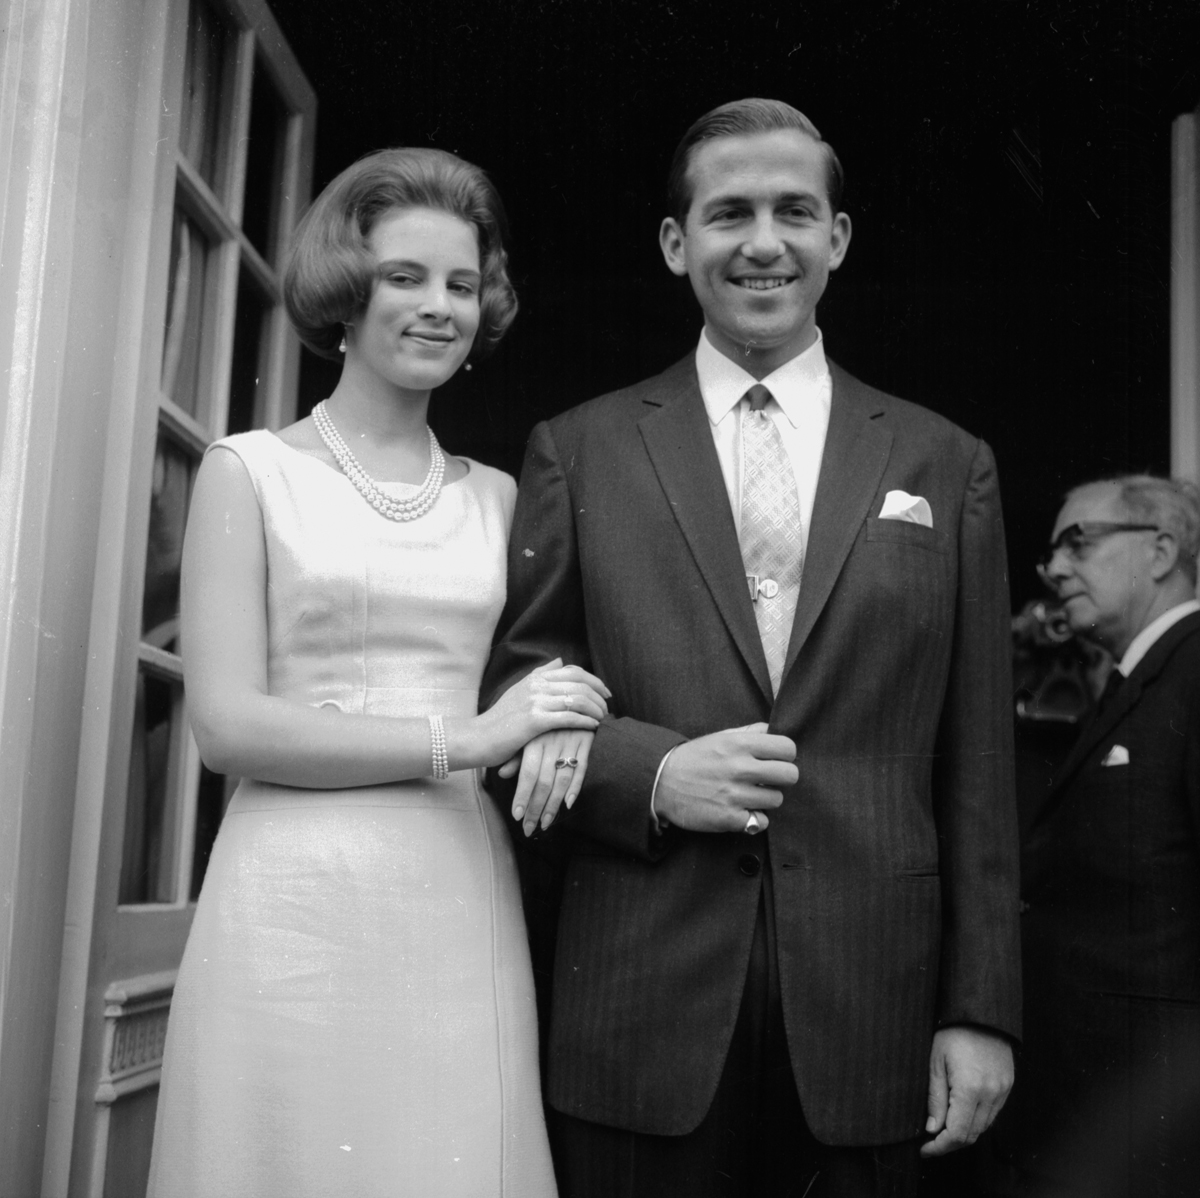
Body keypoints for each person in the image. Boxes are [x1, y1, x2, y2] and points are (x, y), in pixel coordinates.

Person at [482, 98, 1023, 1197]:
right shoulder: (578, 450)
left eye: (795, 211)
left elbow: (979, 765)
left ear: (839, 237)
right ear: (679, 243)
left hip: (875, 1013)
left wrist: (982, 1007)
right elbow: (513, 695)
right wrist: (652, 773)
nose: (764, 241)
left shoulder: (944, 460)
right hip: (640, 1002)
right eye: (729, 213)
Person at [147, 147, 612, 1197]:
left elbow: (560, 663)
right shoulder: (248, 471)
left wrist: (563, 713)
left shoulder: (503, 498)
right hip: (290, 896)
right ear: (346, 295)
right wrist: (473, 735)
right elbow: (225, 726)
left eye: (461, 282)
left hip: (454, 893)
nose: (438, 305)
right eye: (405, 276)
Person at [1003, 475, 1200, 1196]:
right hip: (1099, 1107)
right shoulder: (1134, 679)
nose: (1055, 569)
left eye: (1077, 541)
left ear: (1161, 550)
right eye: (1050, 554)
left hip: (1155, 1118)